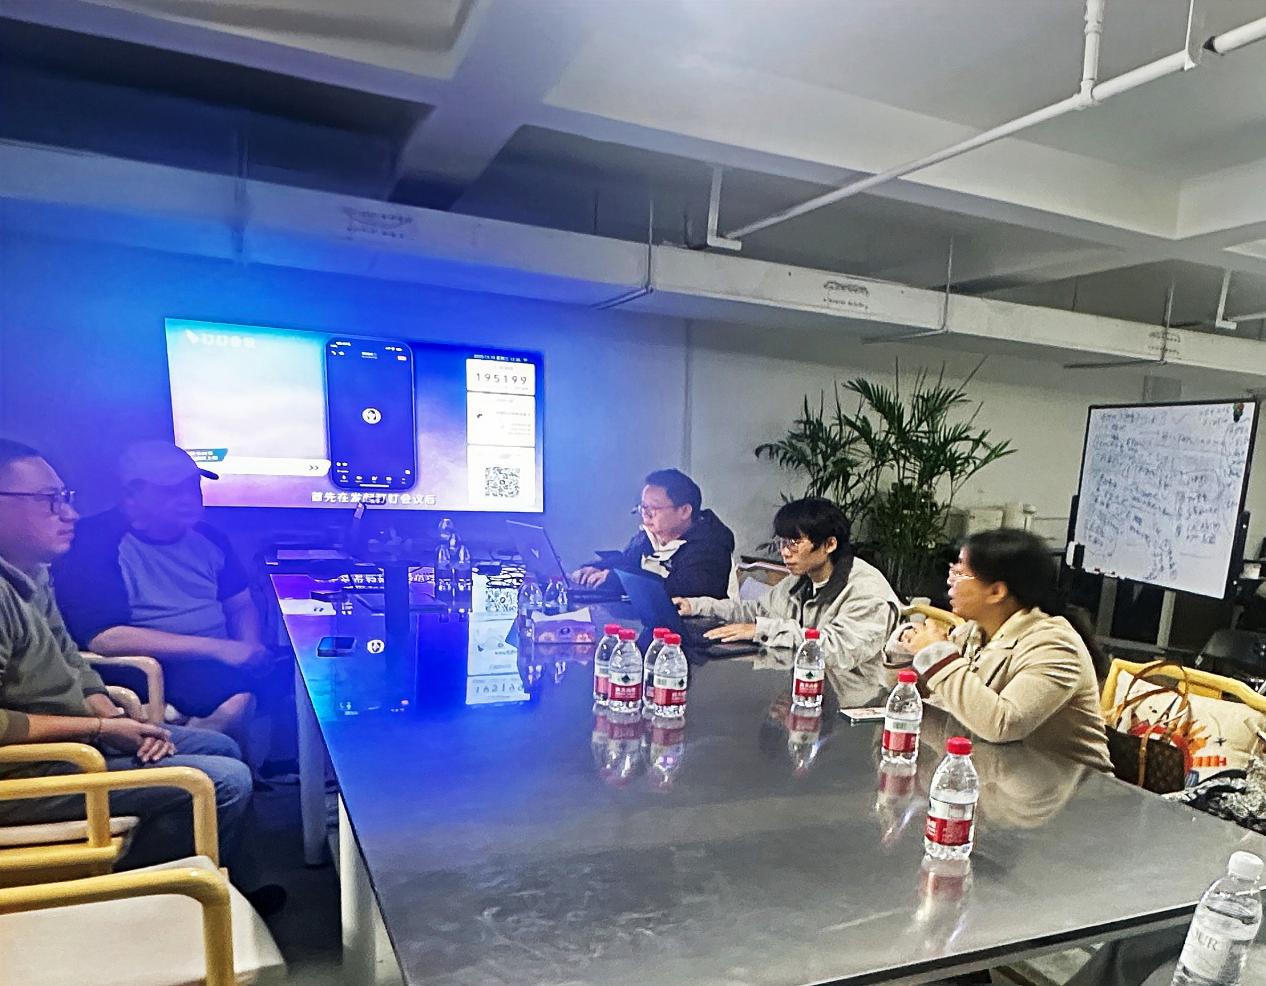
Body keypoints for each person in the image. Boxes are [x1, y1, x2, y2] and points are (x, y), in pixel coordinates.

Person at [0, 438, 253, 870]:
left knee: (221, 746)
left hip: (75, 742)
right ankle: (153, 891)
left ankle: (211, 882)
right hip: (27, 773)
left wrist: (113, 719)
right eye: (48, 500)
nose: (69, 513)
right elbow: (101, 640)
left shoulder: (32, 572)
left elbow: (72, 660)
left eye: (65, 498)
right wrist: (99, 726)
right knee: (225, 781)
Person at [53, 441, 268, 753]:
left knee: (295, 678)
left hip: (213, 660)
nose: (189, 498)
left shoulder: (210, 537)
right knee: (237, 696)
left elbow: (241, 605)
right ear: (131, 496)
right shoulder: (93, 543)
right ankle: (178, 760)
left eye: (193, 486)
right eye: (172, 490)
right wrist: (222, 650)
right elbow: (105, 638)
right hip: (146, 665)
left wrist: (249, 648)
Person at [887, 528, 1112, 772]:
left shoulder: (1055, 646)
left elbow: (1003, 724)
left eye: (961, 573)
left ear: (996, 592)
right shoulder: (974, 631)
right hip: (998, 772)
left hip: (1070, 785)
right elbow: (904, 692)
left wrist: (936, 654)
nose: (950, 581)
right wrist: (907, 646)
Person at [676, 497, 900, 694]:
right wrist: (696, 606)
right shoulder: (801, 578)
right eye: (782, 542)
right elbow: (757, 611)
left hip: (855, 702)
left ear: (830, 544)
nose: (785, 552)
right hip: (806, 688)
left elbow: (837, 649)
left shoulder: (867, 590)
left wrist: (761, 630)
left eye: (794, 543)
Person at [572, 468, 735, 599]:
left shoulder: (710, 546)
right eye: (643, 507)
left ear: (685, 511)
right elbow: (628, 561)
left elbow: (681, 589)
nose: (646, 515)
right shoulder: (650, 535)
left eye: (654, 508)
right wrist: (597, 568)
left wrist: (618, 580)